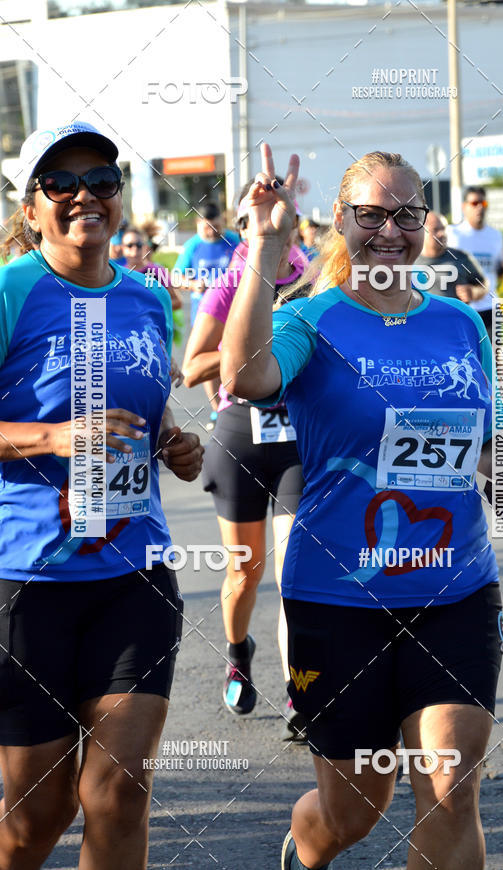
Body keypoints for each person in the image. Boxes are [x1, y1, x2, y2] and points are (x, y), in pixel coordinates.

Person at [220, 144, 503, 870]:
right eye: (371, 214)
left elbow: (494, 448)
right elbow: (244, 377)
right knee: (353, 807)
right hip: (337, 600)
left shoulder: (467, 323)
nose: (390, 230)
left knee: (450, 782)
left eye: (407, 213)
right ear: (341, 221)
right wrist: (267, 245)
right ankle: (306, 846)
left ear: (426, 222)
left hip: (456, 589)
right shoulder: (309, 319)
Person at [0, 121, 203, 869]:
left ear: (121, 199)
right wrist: (54, 438)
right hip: (28, 581)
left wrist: (174, 445)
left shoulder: (148, 300)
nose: (85, 195)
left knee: (118, 792)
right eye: (63, 183)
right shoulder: (11, 291)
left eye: (102, 181)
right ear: (33, 208)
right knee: (37, 815)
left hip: (133, 575)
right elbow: (68, 426)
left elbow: (144, 415)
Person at [182, 184, 308, 739]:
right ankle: (237, 651)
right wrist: (254, 346)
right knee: (244, 570)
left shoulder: (314, 281)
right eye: (261, 221)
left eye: (289, 223)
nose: (279, 233)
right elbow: (191, 370)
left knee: (295, 573)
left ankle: (300, 693)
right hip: (241, 433)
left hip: (300, 441)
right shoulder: (231, 282)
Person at [176, 203, 240, 429]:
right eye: (207, 226)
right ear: (198, 224)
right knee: (207, 362)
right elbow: (176, 277)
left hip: (235, 315)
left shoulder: (235, 241)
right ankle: (216, 409)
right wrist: (193, 284)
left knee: (232, 358)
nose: (212, 230)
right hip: (205, 316)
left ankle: (232, 402)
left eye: (216, 225)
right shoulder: (192, 246)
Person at [446, 185, 503, 337]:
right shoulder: (453, 234)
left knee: (497, 359)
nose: (480, 207)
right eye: (474, 203)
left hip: (491, 308)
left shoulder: (496, 236)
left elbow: (500, 269)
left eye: (483, 203)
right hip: (464, 308)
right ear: (464, 207)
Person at [121, 225, 184, 346]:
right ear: (123, 249)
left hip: (156, 337)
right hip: (129, 337)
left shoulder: (157, 271)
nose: (134, 250)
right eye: (129, 245)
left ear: (145, 247)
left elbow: (177, 302)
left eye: (138, 245)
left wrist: (148, 308)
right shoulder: (119, 274)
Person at [419, 211, 488, 302]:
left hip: (457, 316)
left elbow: (483, 285)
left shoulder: (461, 257)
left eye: (443, 229)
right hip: (423, 316)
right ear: (421, 232)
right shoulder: (409, 259)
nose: (442, 234)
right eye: (435, 230)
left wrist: (473, 292)